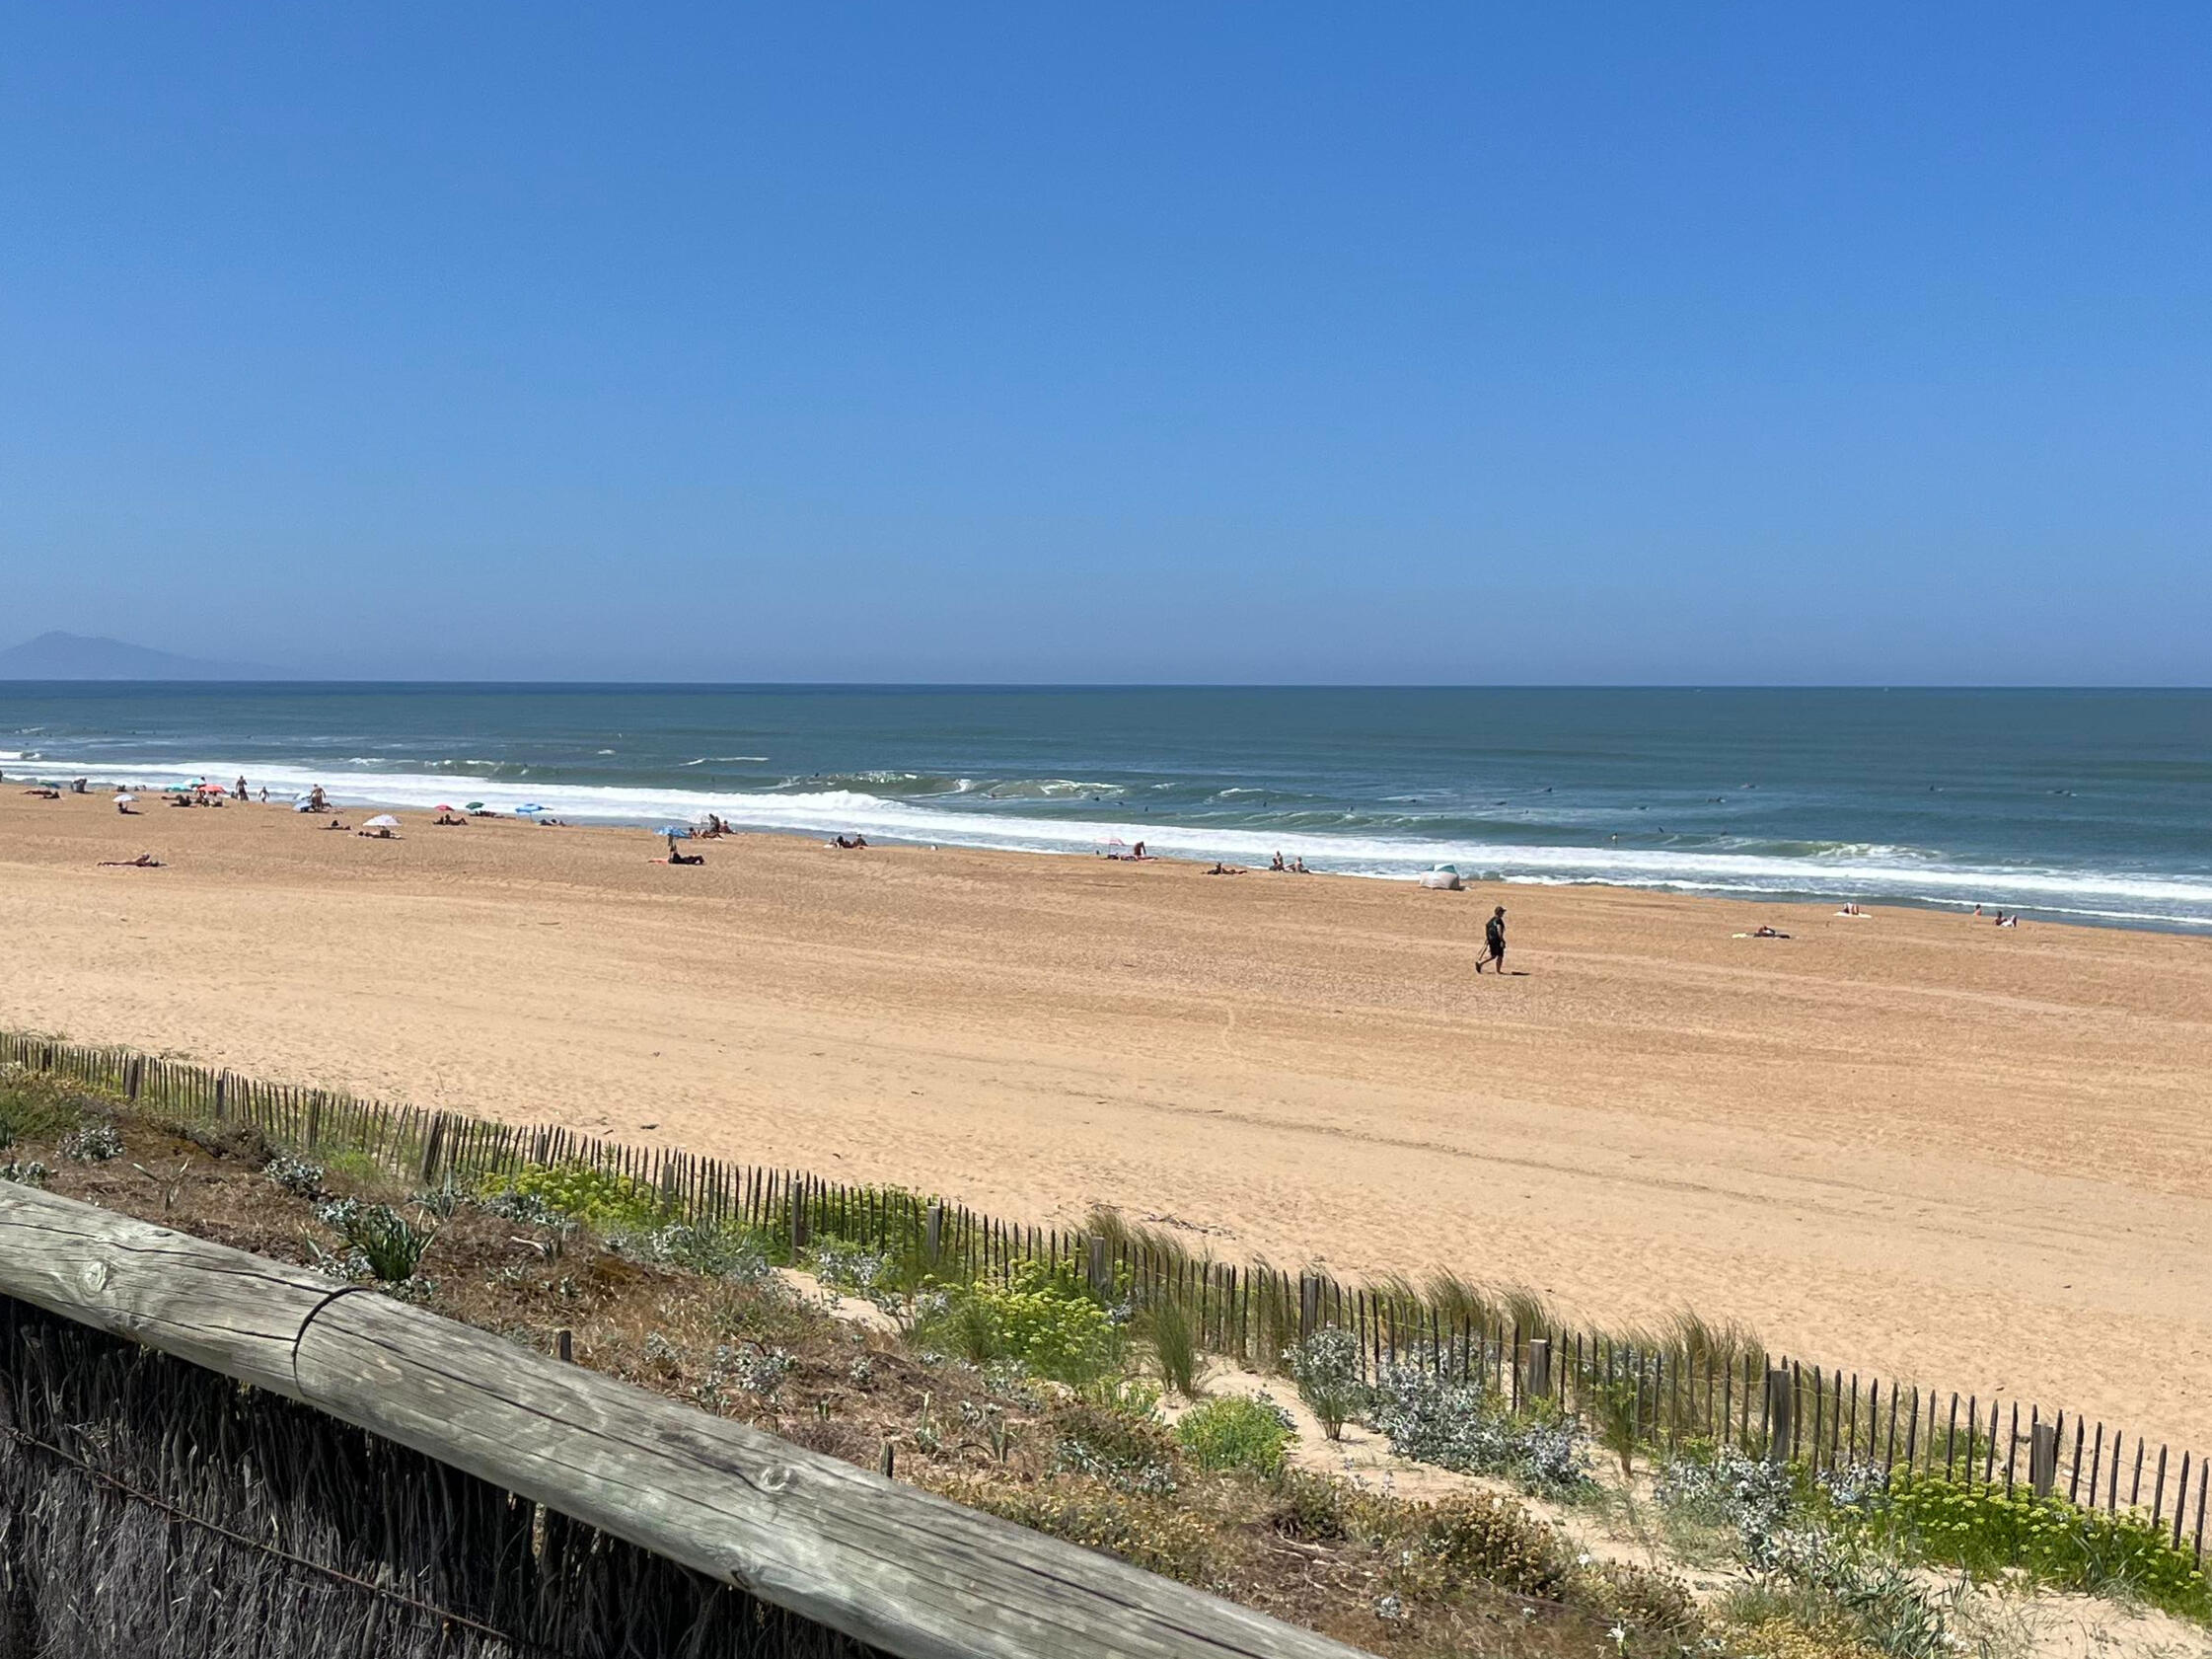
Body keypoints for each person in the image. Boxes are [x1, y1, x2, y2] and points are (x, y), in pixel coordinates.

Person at [1477, 905, 1507, 973]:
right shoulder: (1498, 920)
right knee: (1499, 955)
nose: (1503, 913)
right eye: (1502, 912)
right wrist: (1502, 940)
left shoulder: (1491, 920)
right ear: (1499, 912)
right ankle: (1481, 964)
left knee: (1496, 955)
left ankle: (1481, 963)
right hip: (1497, 940)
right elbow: (1499, 930)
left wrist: (1488, 939)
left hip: (1491, 940)